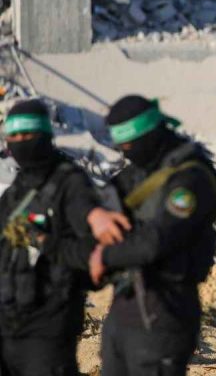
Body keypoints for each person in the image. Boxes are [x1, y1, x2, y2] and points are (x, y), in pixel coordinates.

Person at [89, 95, 216, 376]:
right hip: (125, 304)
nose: (126, 153)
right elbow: (101, 199)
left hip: (164, 310)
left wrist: (106, 255)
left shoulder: (190, 178)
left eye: (129, 145)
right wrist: (95, 215)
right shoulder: (143, 170)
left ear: (150, 134)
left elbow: (156, 241)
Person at [0, 99, 129, 375]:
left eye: (28, 134)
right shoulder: (17, 190)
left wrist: (46, 241)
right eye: (15, 136)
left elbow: (89, 236)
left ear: (45, 135)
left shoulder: (69, 181)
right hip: (9, 319)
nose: (21, 142)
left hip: (49, 323)